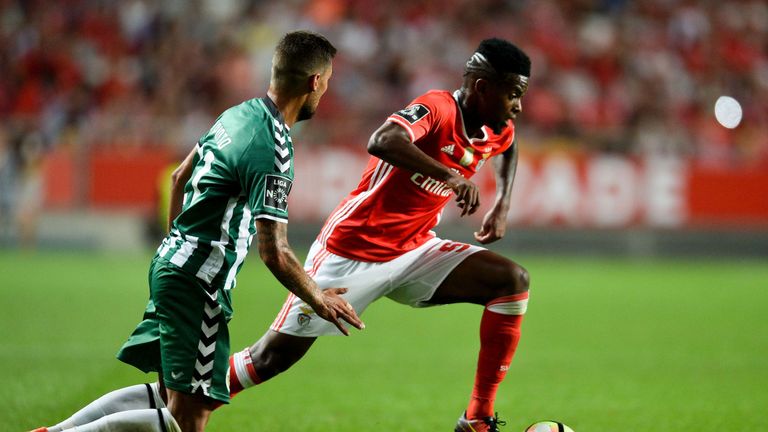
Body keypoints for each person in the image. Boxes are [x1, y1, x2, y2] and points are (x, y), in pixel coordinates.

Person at [33, 30, 363, 432]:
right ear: (314, 82)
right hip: (198, 283)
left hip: (171, 264)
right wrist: (318, 297)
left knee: (169, 394)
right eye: (325, 85)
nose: (324, 94)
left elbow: (178, 178)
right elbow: (274, 251)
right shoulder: (275, 148)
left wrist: (178, 246)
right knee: (189, 416)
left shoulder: (236, 114)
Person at [227, 38, 531, 432]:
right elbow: (383, 139)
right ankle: (173, 399)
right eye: (513, 94)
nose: (519, 105)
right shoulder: (438, 107)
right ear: (483, 88)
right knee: (270, 360)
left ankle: (477, 418)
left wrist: (502, 202)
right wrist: (450, 176)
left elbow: (508, 145)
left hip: (416, 248)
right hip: (352, 249)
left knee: (511, 282)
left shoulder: (497, 126)